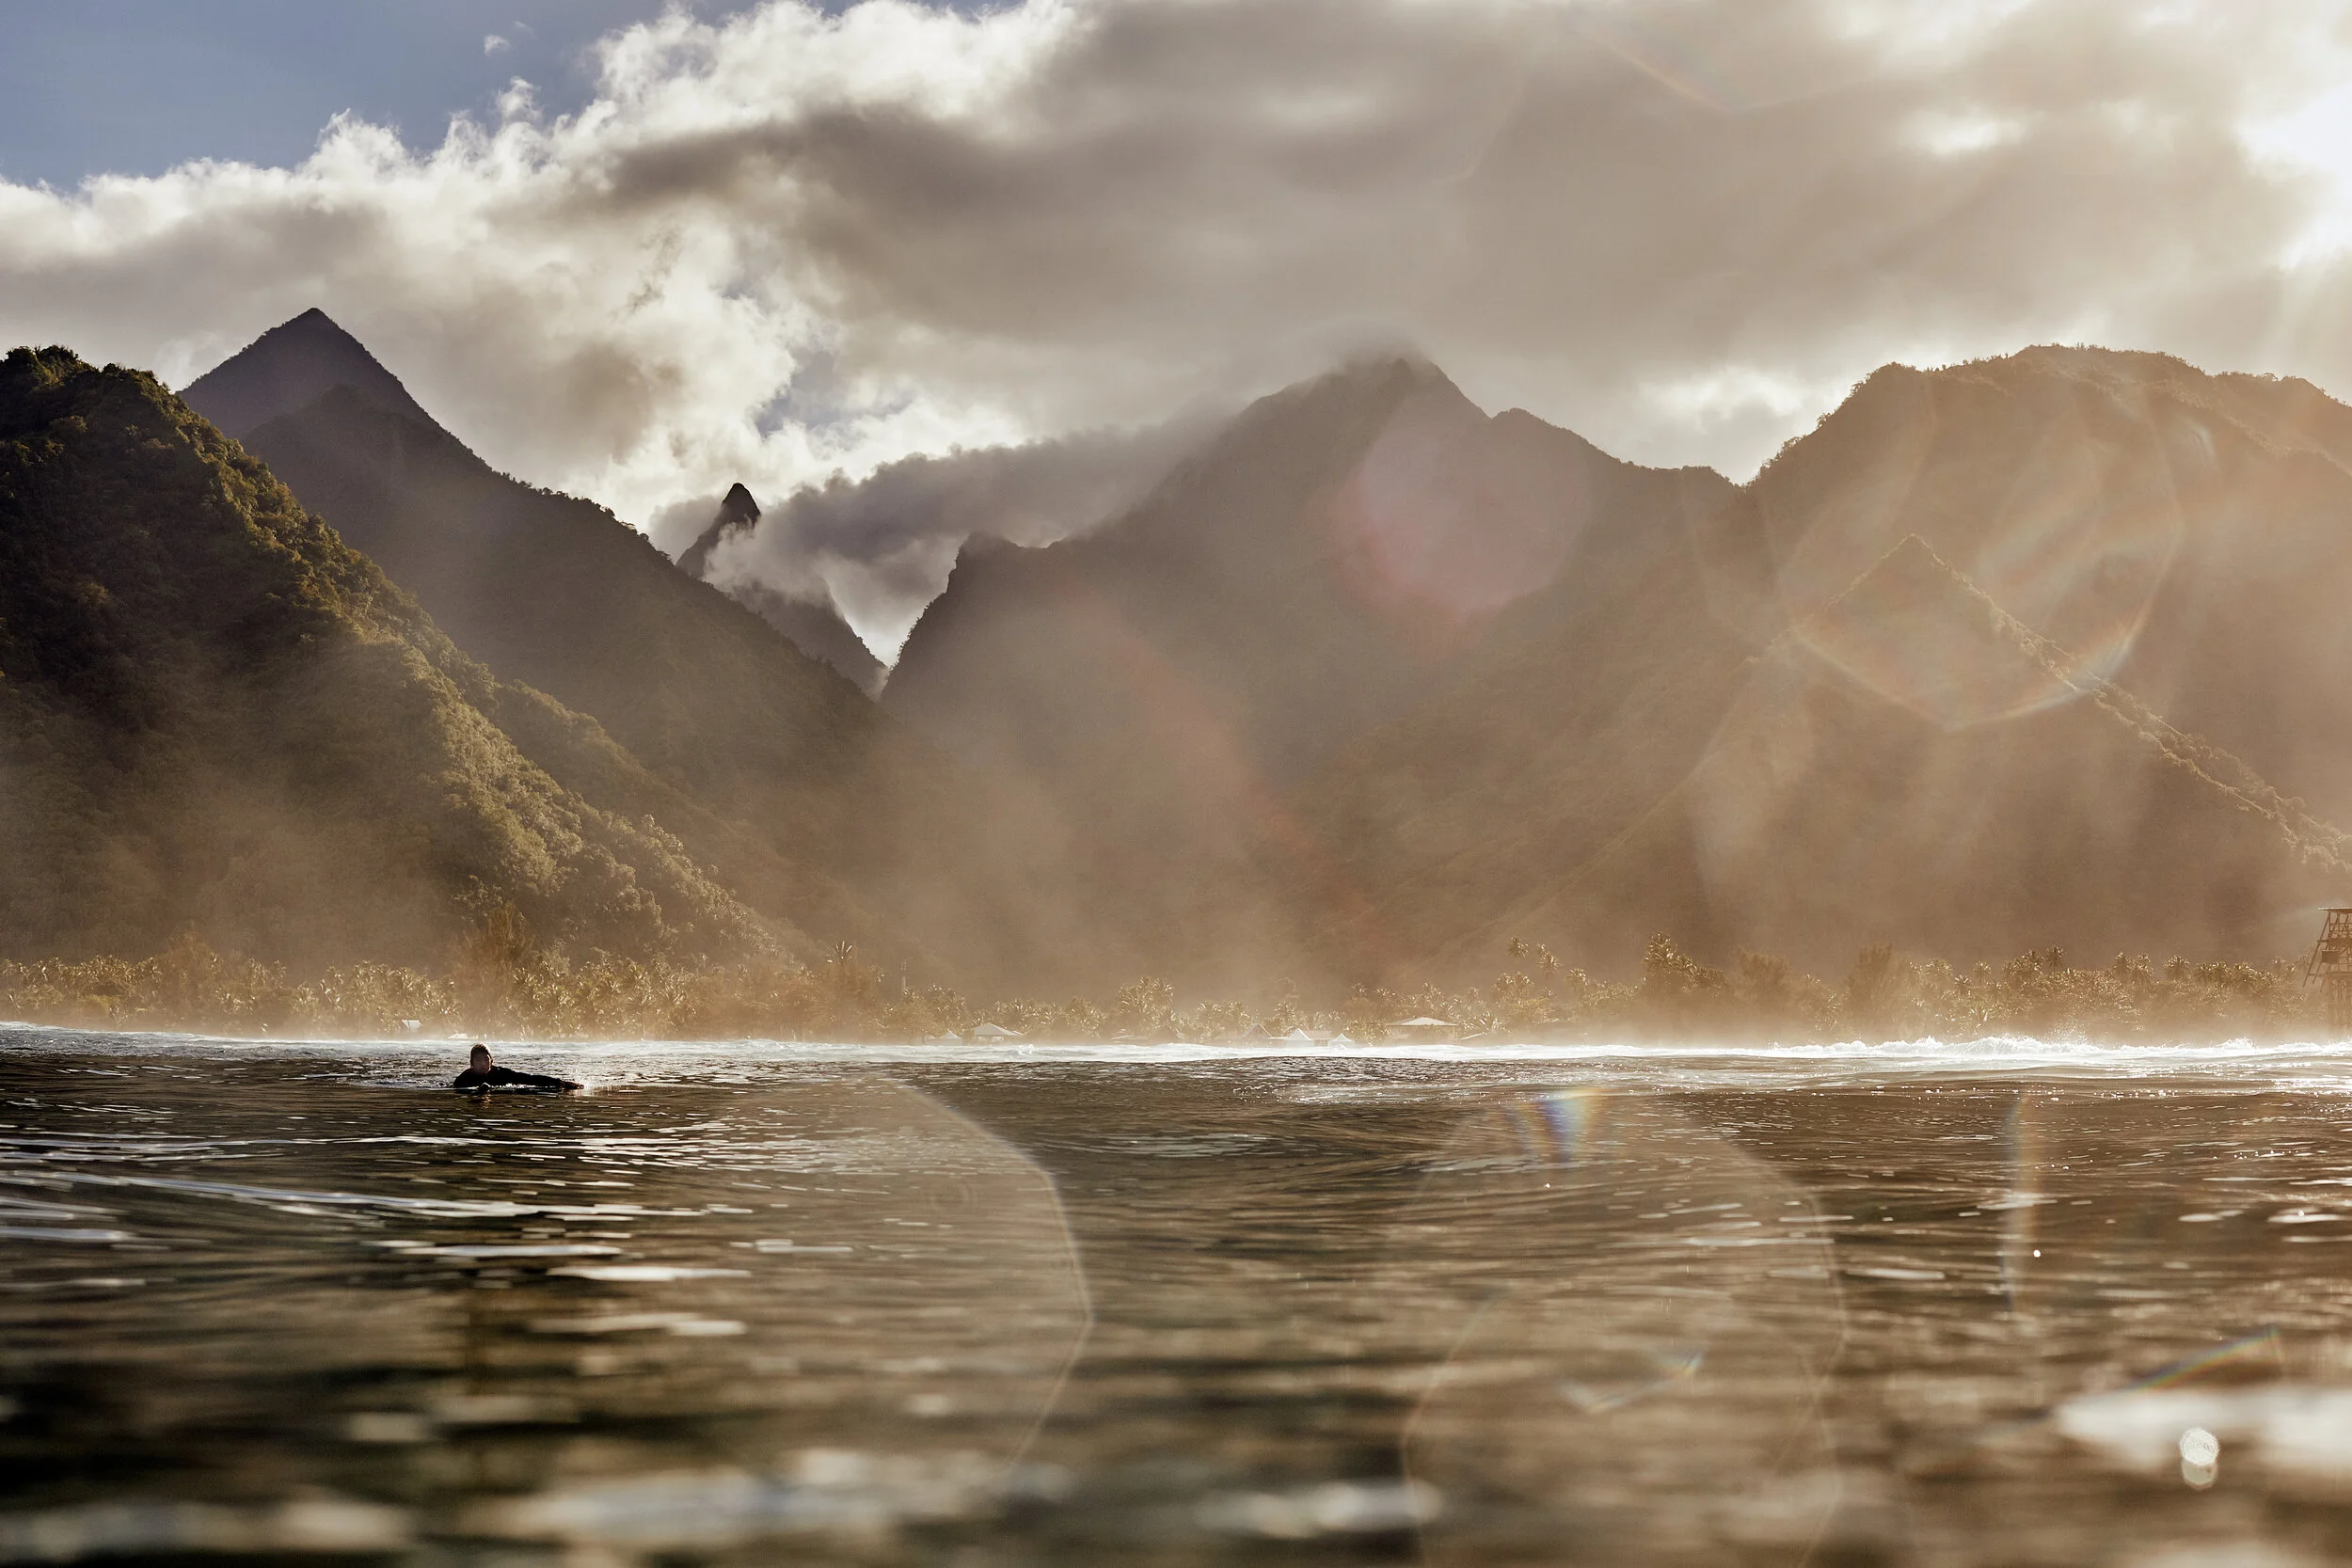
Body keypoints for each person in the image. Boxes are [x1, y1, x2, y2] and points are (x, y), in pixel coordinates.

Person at [452, 1043, 580, 1092]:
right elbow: (458, 1090)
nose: (483, 1064)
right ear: (472, 1063)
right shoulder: (462, 1079)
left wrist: (560, 1082)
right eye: (478, 1060)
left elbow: (529, 1079)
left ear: (491, 1061)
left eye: (486, 1060)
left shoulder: (500, 1073)